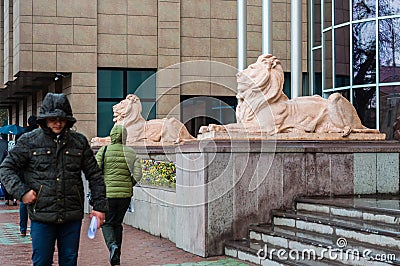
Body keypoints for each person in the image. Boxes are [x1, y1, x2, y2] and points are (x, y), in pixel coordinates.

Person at [0, 93, 108, 266]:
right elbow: (6, 168)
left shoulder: (78, 142)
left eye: (62, 119)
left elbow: (95, 175)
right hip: (42, 215)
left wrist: (100, 207)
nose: (58, 123)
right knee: (41, 261)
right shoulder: (30, 141)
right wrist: (22, 192)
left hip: (71, 214)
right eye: (53, 119)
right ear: (44, 119)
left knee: (69, 261)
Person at [95, 125, 142, 266]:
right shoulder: (131, 153)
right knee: (117, 223)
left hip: (107, 194)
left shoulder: (104, 151)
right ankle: (117, 256)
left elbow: (95, 171)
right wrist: (129, 183)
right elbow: (138, 174)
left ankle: (112, 246)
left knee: (107, 222)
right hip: (124, 196)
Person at [18, 115, 39, 236]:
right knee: (37, 201)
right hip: (36, 172)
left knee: (23, 201)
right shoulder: (39, 136)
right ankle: (34, 230)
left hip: (23, 172)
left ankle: (22, 229)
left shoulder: (21, 135)